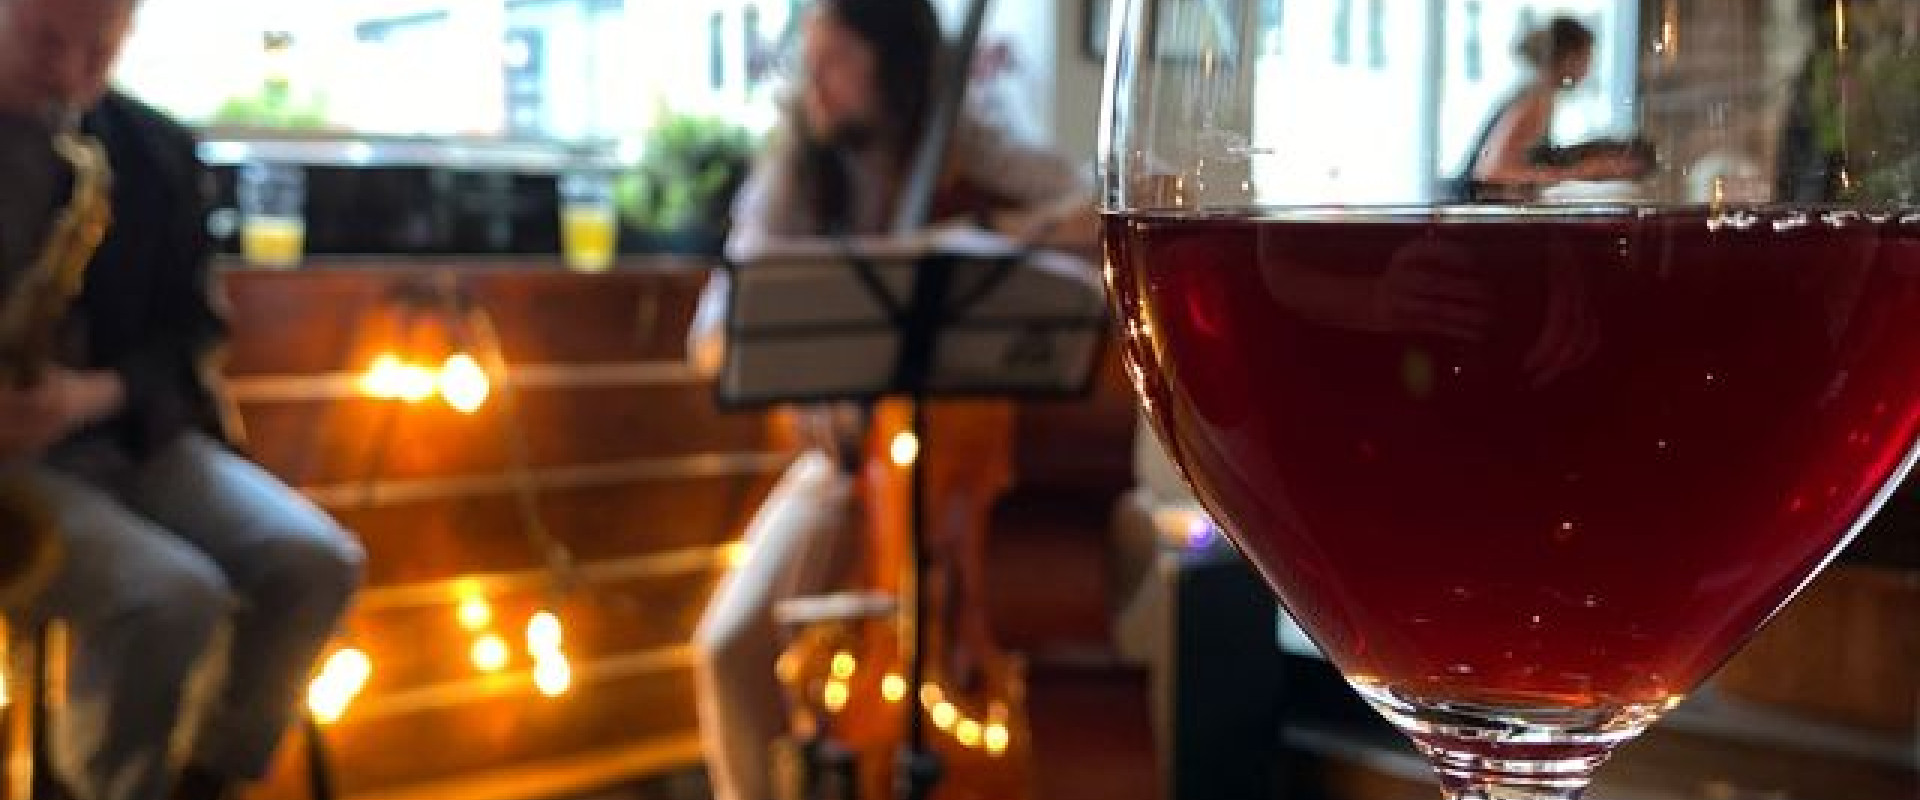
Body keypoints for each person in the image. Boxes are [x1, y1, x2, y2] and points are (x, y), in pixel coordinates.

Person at [687, 1, 1093, 799]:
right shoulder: (799, 168)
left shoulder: (968, 142)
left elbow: (1086, 206)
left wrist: (993, 233)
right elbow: (713, 330)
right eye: (812, 59)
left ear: (894, 63)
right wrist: (807, 372)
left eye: (838, 61)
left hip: (962, 472)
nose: (817, 82)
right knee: (730, 646)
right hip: (849, 465)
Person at [0, 1, 365, 799]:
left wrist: (86, 396)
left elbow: (193, 332)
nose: (70, 74)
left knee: (316, 562)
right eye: (45, 41)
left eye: (98, 51)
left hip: (123, 434)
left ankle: (207, 779)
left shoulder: (151, 151)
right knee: (169, 596)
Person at [1453, 16, 1650, 202]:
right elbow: (1491, 173)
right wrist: (1580, 173)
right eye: (1587, 57)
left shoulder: (1539, 95)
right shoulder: (1536, 100)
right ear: (1569, 57)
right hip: (1474, 214)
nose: (1588, 68)